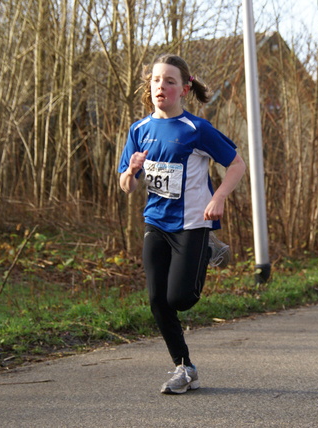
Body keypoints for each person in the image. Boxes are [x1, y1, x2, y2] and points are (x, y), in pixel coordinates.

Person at [118, 54, 246, 394]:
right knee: (157, 300)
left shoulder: (196, 129)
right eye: (157, 80)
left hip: (192, 223)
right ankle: (184, 367)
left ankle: (207, 250)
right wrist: (131, 171)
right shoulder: (139, 130)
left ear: (184, 89)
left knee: (181, 299)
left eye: (170, 81)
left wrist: (217, 197)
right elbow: (126, 186)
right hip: (156, 223)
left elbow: (236, 164)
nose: (162, 86)